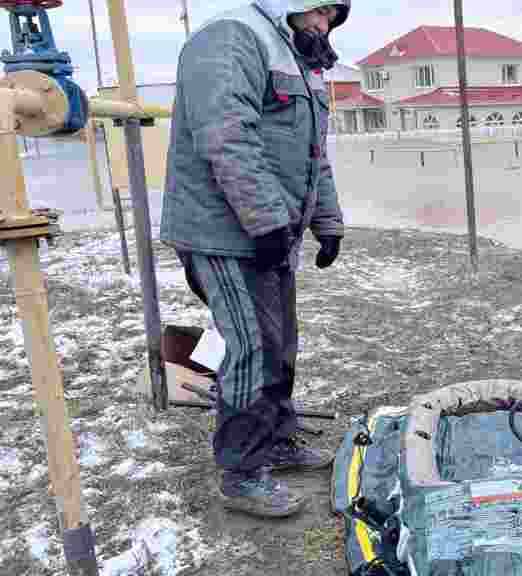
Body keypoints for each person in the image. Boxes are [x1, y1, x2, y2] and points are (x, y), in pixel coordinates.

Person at [160, 0, 350, 518]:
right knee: (249, 345)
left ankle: (277, 438)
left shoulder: (297, 59)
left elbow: (314, 155)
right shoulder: (230, 38)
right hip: (221, 230)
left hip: (270, 230)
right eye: (319, 12)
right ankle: (241, 471)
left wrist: (326, 222)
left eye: (333, 17)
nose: (324, 24)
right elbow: (227, 136)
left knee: (280, 340)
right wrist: (267, 220)